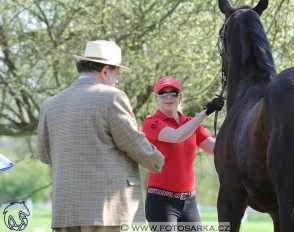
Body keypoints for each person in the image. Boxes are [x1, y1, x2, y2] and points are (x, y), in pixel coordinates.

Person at [37, 40, 164, 232]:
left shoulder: (50, 104)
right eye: (117, 74)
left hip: (65, 209)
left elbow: (44, 155)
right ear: (105, 71)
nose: (117, 81)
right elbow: (132, 143)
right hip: (104, 208)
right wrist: (158, 160)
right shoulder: (112, 97)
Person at [142, 76, 224, 225]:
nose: (168, 97)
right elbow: (177, 136)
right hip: (161, 202)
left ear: (179, 98)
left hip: (188, 202)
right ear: (156, 98)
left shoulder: (190, 124)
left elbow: (217, 150)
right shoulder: (151, 123)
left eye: (173, 93)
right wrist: (205, 112)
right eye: (163, 93)